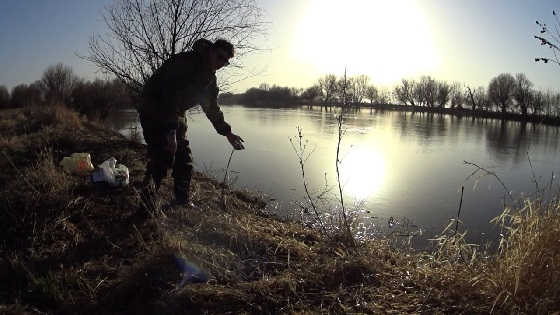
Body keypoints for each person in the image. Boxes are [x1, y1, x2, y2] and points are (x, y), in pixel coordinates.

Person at [139, 38, 244, 206]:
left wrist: (227, 132)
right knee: (162, 155)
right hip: (153, 109)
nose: (221, 63)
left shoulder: (210, 80)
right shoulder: (185, 62)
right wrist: (171, 131)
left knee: (184, 158)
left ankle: (181, 200)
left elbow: (212, 109)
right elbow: (168, 95)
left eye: (225, 62)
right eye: (220, 57)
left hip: (176, 114)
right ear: (211, 51)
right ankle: (146, 202)